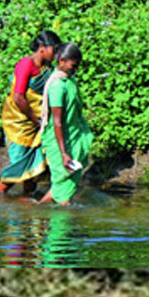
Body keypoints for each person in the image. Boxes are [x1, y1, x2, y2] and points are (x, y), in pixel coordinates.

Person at [0, 30, 62, 196]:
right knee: (19, 163)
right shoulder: (26, 64)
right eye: (53, 50)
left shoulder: (47, 68)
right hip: (19, 123)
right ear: (42, 48)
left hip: (37, 121)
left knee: (34, 161)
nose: (55, 55)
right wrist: (35, 120)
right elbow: (18, 97)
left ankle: (26, 197)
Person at [37, 43, 93, 205]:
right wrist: (63, 153)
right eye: (73, 66)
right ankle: (60, 229)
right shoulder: (57, 87)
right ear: (61, 61)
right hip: (59, 141)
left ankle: (36, 214)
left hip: (73, 137)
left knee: (61, 185)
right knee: (64, 197)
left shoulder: (69, 80)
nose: (76, 70)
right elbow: (57, 122)